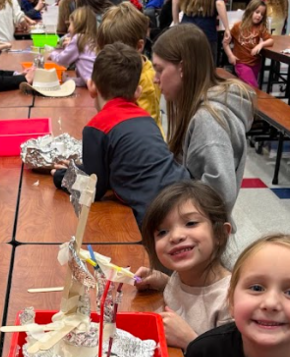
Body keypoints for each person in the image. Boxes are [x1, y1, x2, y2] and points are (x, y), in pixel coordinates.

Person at [53, 43, 189, 224]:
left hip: (154, 216)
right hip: (186, 195)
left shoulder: (96, 128)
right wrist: (78, 168)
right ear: (137, 93)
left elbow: (94, 188)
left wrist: (62, 177)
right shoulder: (147, 119)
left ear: (91, 86)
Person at [152, 23, 255, 216]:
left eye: (159, 70)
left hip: (200, 229)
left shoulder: (207, 120)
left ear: (182, 68)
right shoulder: (198, 110)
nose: (155, 79)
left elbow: (220, 196)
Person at [135, 181, 234, 350]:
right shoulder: (182, 274)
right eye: (162, 232)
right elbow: (187, 295)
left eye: (191, 223)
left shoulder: (231, 301)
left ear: (220, 234)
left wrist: (190, 342)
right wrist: (164, 281)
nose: (175, 236)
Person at [97, 3, 162, 131]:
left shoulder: (145, 81)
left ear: (139, 47)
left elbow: (142, 127)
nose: (109, 60)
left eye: (117, 54)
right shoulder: (122, 71)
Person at [225, 0, 273, 88]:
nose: (259, 16)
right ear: (250, 11)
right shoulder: (237, 27)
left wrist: (261, 45)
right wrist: (230, 55)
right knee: (253, 87)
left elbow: (271, 40)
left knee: (246, 88)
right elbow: (225, 43)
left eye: (262, 14)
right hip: (241, 63)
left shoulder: (261, 28)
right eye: (257, 12)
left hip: (255, 64)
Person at [48, 7, 99, 87]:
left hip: (93, 87)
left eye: (70, 24)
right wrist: (69, 80)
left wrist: (52, 54)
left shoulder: (78, 39)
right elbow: (85, 78)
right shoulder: (92, 39)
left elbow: (61, 60)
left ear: (78, 24)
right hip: (99, 84)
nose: (68, 29)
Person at [172, 0, 231, 65]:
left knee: (187, 64)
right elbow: (219, 3)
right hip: (206, 33)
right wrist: (227, 28)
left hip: (186, 31)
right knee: (207, 66)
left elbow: (175, 0)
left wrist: (176, 23)